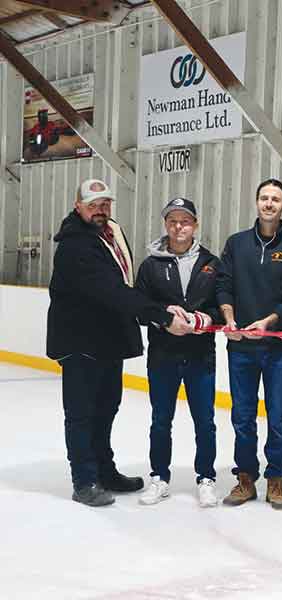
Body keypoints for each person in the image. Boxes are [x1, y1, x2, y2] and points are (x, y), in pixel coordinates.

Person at [46, 178, 192, 507]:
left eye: (105, 204)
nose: (100, 210)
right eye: (93, 205)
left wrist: (159, 305)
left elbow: (126, 282)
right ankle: (84, 480)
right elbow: (111, 291)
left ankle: (104, 470)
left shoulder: (111, 230)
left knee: (107, 407)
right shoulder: (75, 246)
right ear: (78, 206)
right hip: (81, 341)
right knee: (82, 413)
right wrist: (161, 317)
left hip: (107, 340)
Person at [216, 178, 282, 510]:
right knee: (242, 416)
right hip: (241, 348)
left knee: (278, 415)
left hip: (277, 350)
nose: (269, 203)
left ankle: (276, 480)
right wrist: (228, 318)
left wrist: (267, 322)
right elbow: (223, 285)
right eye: (264, 198)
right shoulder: (236, 244)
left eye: (275, 199)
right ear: (256, 203)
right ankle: (245, 479)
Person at [135, 198, 223, 508]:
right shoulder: (150, 265)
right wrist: (162, 317)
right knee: (161, 419)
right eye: (172, 221)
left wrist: (207, 319)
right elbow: (139, 309)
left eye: (184, 221)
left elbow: (222, 306)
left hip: (201, 356)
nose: (178, 226)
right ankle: (159, 477)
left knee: (205, 421)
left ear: (195, 225)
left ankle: (206, 478)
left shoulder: (212, 263)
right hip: (163, 356)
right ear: (166, 225)